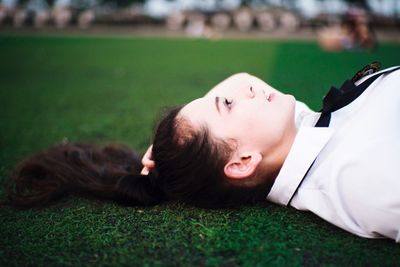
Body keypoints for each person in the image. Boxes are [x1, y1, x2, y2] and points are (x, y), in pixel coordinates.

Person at [4, 63, 400, 242]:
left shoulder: (290, 136)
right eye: (226, 104)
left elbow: (242, 78)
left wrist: (177, 150)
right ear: (243, 162)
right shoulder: (363, 178)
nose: (243, 89)